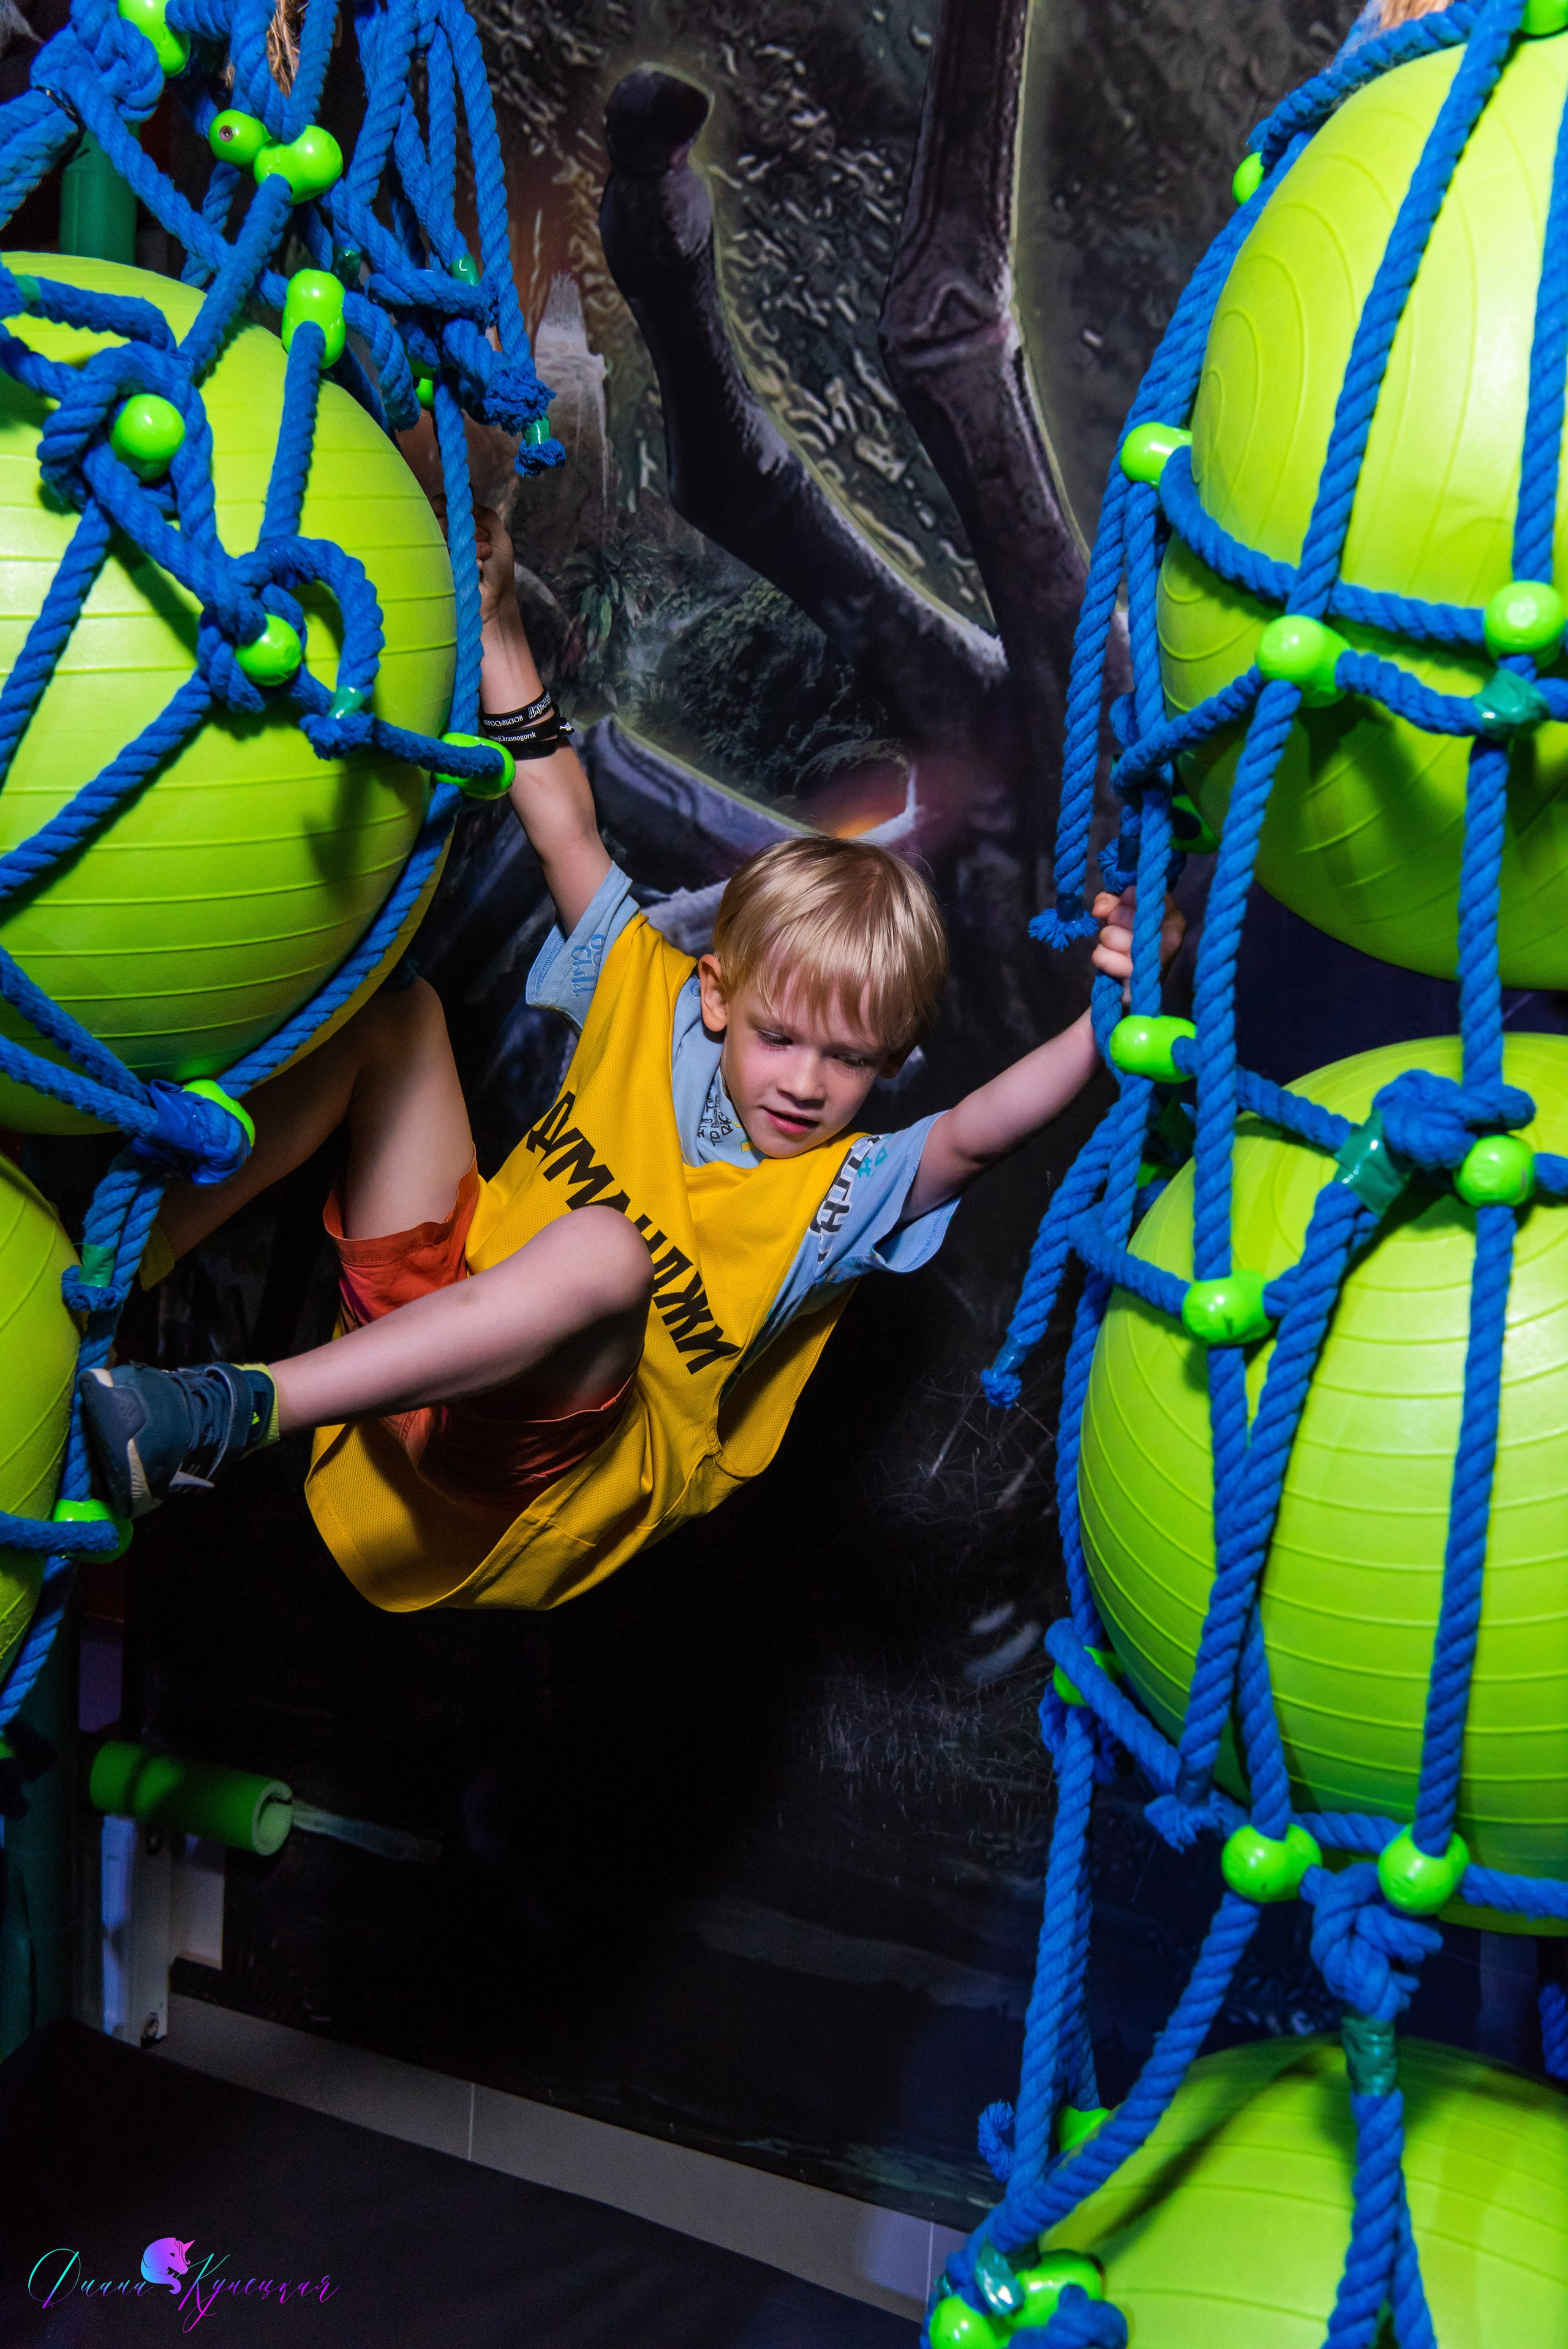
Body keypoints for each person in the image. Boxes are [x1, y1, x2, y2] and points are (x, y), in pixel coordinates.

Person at [80, 502, 1184, 1616]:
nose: (807, 1082)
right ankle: (125, 1261)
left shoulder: (843, 1197)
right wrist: (498, 622)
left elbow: (980, 1131)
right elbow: (562, 818)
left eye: (850, 1060)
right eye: (781, 1037)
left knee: (608, 1254)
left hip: (522, 1474)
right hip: (421, 1327)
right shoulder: (648, 992)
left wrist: (1117, 1011)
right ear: (718, 993)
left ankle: (221, 1413)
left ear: (891, 1061)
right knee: (399, 1019)